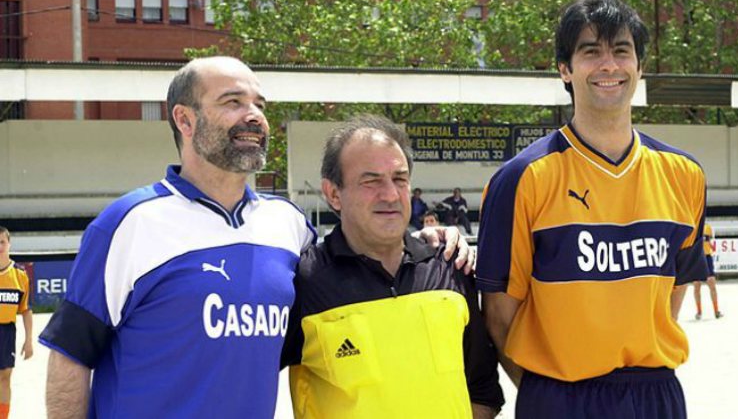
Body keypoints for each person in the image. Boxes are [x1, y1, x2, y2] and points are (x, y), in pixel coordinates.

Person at [39, 57, 470, 419]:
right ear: (184, 119)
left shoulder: (287, 224)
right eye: (233, 102)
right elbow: (69, 358)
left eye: (259, 104)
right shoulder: (130, 223)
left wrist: (434, 239)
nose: (254, 115)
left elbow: (361, 250)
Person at [476, 0, 707, 418]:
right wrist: (547, 394)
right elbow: (498, 316)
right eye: (590, 51)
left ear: (639, 67)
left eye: (621, 50)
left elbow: (672, 295)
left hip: (655, 394)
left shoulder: (684, 174)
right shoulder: (522, 178)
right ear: (565, 69)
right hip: (559, 395)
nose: (608, 65)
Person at [281, 115, 504, 418]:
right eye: (371, 181)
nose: (390, 194)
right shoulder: (302, 282)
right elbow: (244, 383)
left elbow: (482, 389)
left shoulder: (450, 269)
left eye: (399, 179)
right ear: (333, 194)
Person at [0, 226, 33, 419]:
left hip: (7, 331)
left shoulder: (20, 275)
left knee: (5, 378)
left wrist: (28, 340)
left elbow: (26, 310)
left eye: (2, 242)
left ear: (9, 244)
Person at [693, 223, 722, 320]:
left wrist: (710, 246)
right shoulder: (693, 226)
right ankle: (699, 311)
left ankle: (716, 310)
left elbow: (710, 241)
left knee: (712, 284)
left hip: (707, 257)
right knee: (697, 286)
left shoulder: (708, 227)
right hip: (696, 258)